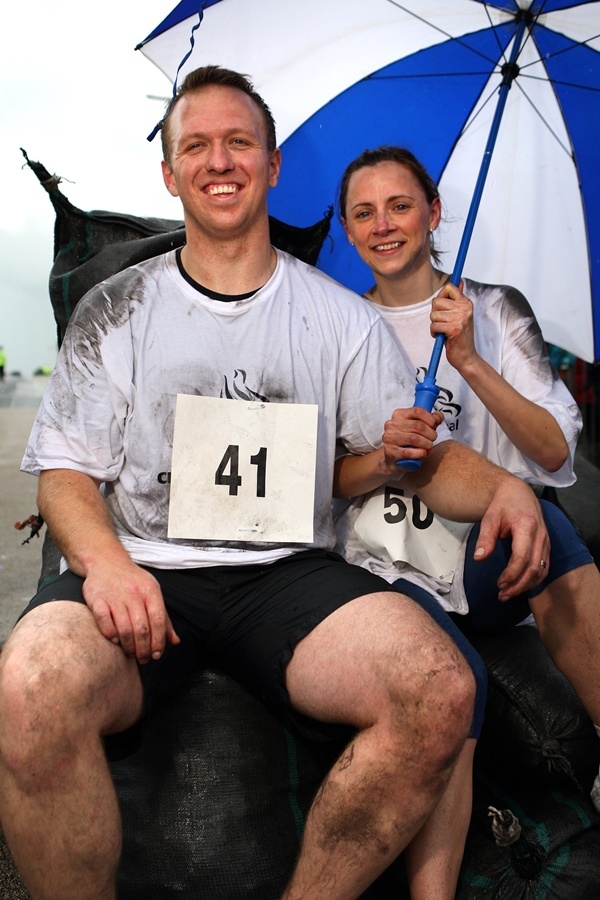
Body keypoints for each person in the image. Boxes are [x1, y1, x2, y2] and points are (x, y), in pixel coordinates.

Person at [0, 71, 550, 900]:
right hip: (149, 565)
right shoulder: (116, 311)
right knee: (31, 684)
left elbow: (414, 456)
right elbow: (66, 474)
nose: (219, 161)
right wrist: (105, 564)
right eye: (196, 145)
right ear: (169, 172)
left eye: (239, 142)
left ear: (274, 164)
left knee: (440, 688)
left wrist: (507, 489)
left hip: (287, 573)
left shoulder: (342, 319)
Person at [334, 144, 600, 877]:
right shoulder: (335, 324)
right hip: (381, 566)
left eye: (400, 205)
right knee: (455, 690)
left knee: (549, 524)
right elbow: (320, 475)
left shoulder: (492, 308)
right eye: (364, 212)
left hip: (487, 558)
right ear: (348, 231)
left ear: (433, 213)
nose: (383, 224)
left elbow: (552, 453)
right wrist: (388, 458)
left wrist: (472, 360)